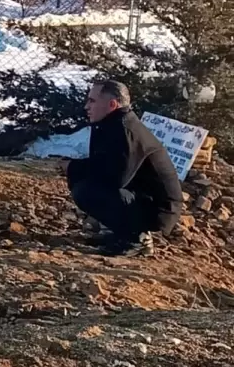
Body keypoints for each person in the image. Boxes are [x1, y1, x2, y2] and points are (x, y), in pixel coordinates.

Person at [64, 80, 182, 256]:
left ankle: (137, 239)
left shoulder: (125, 130)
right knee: (83, 181)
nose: (86, 106)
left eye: (92, 101)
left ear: (112, 104)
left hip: (158, 209)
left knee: (88, 190)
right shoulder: (112, 124)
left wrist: (73, 167)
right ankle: (122, 233)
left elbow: (115, 177)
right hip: (141, 197)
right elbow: (104, 164)